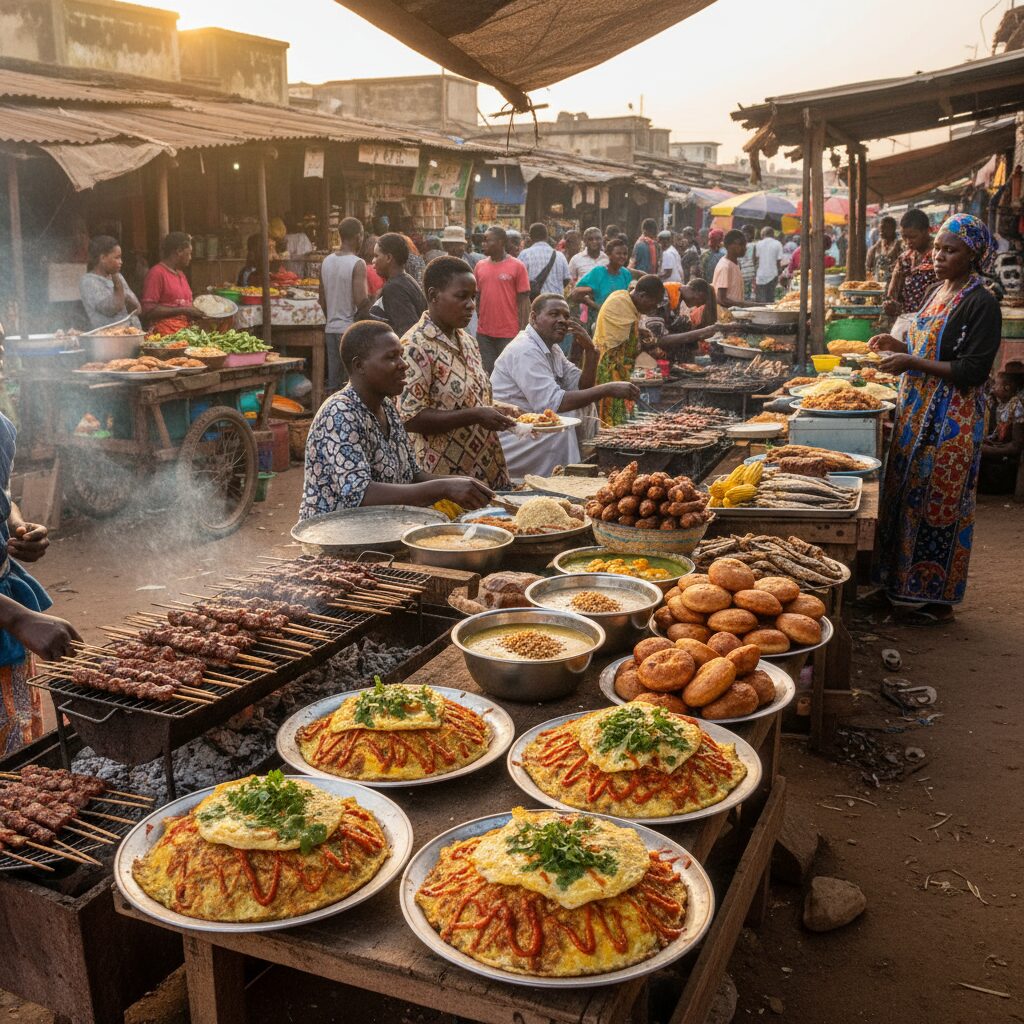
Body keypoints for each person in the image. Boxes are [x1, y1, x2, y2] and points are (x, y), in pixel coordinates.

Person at [870, 214, 1002, 623]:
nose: (940, 255)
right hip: (916, 413)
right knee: (903, 497)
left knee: (937, 505)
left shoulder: (982, 303)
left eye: (951, 249)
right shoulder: (935, 290)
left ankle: (933, 599)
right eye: (939, 248)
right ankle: (894, 587)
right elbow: (928, 343)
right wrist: (899, 344)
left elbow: (972, 370)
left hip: (952, 422)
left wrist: (911, 360)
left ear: (973, 254)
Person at [300, 321, 493, 518]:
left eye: (401, 355)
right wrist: (444, 488)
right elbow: (360, 494)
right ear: (359, 366)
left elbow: (412, 475)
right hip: (336, 535)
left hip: (379, 529)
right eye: (391, 357)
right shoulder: (340, 412)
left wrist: (464, 484)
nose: (403, 364)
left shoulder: (387, 407)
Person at [0, 336, 81, 752]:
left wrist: (16, 525)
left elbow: (2, 494)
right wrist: (18, 618)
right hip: (7, 615)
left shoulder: (1, 428)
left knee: (17, 754)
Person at [491, 294, 641, 476]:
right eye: (554, 314)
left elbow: (582, 387)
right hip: (512, 433)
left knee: (584, 409)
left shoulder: (552, 349)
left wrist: (591, 352)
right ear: (533, 317)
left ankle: (581, 469)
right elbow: (555, 403)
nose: (562, 320)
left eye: (566, 316)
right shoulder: (525, 350)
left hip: (534, 428)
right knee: (563, 429)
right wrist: (607, 389)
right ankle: (563, 483)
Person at [399, 256, 515, 489]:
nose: (471, 304)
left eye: (473, 297)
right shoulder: (415, 346)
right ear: (433, 296)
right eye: (462, 296)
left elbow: (470, 399)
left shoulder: (469, 342)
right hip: (443, 481)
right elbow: (410, 418)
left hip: (486, 472)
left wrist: (501, 411)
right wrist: (476, 415)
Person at [591, 276, 665, 426]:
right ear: (642, 295)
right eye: (653, 303)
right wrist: (650, 345)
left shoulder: (625, 297)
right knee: (611, 416)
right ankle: (608, 445)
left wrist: (639, 330)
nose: (653, 309)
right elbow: (633, 346)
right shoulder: (620, 303)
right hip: (609, 368)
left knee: (620, 414)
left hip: (620, 369)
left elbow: (630, 329)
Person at [319, 217, 369, 392]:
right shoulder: (357, 263)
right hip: (348, 329)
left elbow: (322, 300)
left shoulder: (326, 261)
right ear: (358, 236)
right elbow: (361, 300)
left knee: (333, 383)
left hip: (330, 328)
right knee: (350, 385)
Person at [474, 226, 530, 373]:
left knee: (509, 373)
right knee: (488, 373)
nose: (483, 244)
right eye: (483, 241)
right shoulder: (480, 266)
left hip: (509, 333)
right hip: (484, 334)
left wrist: (523, 332)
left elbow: (524, 302)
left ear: (500, 242)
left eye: (487, 241)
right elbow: (478, 297)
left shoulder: (518, 266)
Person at [140, 232, 205, 332]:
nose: (190, 258)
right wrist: (184, 310)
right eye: (189, 253)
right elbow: (148, 310)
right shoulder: (156, 273)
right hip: (164, 332)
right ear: (179, 251)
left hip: (185, 330)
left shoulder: (181, 274)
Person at [370, 232, 427, 338]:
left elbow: (407, 333)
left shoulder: (394, 288)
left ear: (388, 258)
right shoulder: (405, 280)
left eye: (376, 256)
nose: (373, 261)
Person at [79, 235, 142, 331]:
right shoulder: (88, 281)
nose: (121, 262)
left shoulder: (118, 276)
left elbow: (137, 309)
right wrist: (119, 287)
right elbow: (112, 308)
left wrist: (123, 296)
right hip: (111, 339)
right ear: (103, 258)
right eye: (116, 258)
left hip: (132, 333)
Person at [884, 209, 935, 317]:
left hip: (934, 317)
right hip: (908, 319)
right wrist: (891, 304)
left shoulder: (940, 255)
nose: (908, 242)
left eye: (913, 237)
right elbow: (893, 293)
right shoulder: (905, 259)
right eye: (904, 237)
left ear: (926, 231)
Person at [979, 371, 1024, 494]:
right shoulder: (1001, 405)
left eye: (996, 384)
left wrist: (990, 450)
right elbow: (997, 435)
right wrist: (988, 442)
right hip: (1000, 455)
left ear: (1007, 387)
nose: (993, 387)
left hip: (1007, 462)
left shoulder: (1016, 406)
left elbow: (1016, 447)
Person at [571, 238, 633, 313]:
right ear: (609, 254)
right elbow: (576, 293)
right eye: (618, 253)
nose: (622, 256)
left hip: (620, 317)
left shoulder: (626, 274)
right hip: (600, 317)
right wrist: (592, 303)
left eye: (625, 254)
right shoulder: (599, 272)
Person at [518, 222, 572, 299]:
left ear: (530, 237)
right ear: (547, 236)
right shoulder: (560, 256)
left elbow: (519, 280)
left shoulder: (525, 254)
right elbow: (566, 279)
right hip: (556, 302)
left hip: (534, 303)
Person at [713, 230, 760, 309]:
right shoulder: (725, 267)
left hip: (735, 313)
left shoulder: (736, 264)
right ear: (734, 245)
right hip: (725, 315)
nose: (745, 249)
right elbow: (721, 299)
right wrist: (750, 305)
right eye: (743, 246)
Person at [866, 216, 902, 287]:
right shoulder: (876, 247)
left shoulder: (899, 246)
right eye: (880, 227)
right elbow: (869, 267)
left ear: (892, 229)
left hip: (894, 286)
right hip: (877, 287)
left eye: (884, 227)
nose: (881, 230)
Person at [753, 226, 784, 303]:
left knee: (760, 300)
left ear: (762, 234)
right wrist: (779, 272)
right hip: (773, 274)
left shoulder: (758, 244)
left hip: (760, 275)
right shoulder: (778, 244)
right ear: (772, 234)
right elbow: (778, 261)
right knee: (770, 299)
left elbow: (755, 260)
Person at [738, 224, 756, 299]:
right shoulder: (754, 245)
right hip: (746, 273)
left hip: (748, 274)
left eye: (745, 233)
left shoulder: (754, 245)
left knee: (746, 296)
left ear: (751, 235)